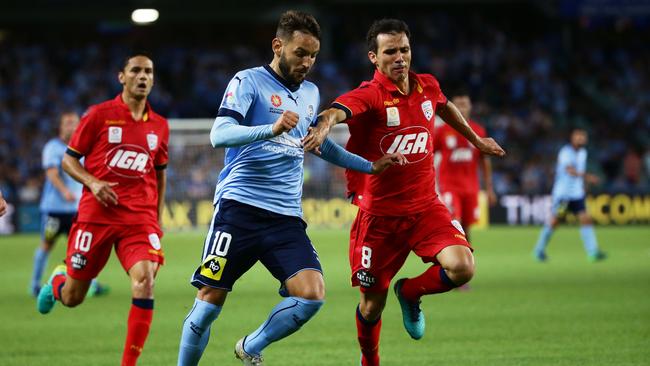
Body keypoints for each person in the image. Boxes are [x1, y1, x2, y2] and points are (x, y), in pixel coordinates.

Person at [176, 11, 404, 366]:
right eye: (300, 53)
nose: (307, 62)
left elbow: (319, 144)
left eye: (313, 55)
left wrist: (369, 165)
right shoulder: (248, 81)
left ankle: (251, 346)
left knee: (312, 295)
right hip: (240, 209)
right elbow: (218, 134)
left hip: (285, 218)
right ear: (278, 46)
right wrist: (271, 129)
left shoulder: (311, 93)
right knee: (208, 302)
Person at [303, 19, 505, 365]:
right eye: (390, 51)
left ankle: (410, 292)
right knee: (370, 306)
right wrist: (322, 126)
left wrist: (474, 139)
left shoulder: (427, 86)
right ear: (374, 57)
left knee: (462, 267)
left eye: (404, 50)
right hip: (379, 220)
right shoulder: (372, 94)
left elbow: (443, 106)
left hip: (426, 208)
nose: (399, 58)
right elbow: (336, 111)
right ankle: (371, 361)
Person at [36, 52, 169, 366]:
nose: (142, 76)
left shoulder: (160, 127)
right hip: (96, 218)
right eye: (135, 70)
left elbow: (159, 173)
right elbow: (69, 161)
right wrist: (93, 183)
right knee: (73, 298)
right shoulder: (98, 115)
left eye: (148, 71)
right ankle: (58, 282)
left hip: (139, 221)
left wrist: (157, 218)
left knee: (145, 280)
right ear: (121, 77)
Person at [30, 112, 107, 297]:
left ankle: (91, 284)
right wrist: (65, 191)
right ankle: (35, 285)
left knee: (83, 247)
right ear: (61, 127)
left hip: (77, 209)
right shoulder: (53, 147)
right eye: (68, 123)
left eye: (75, 123)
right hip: (54, 209)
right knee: (47, 244)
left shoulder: (83, 147)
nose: (72, 126)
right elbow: (51, 173)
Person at [533, 128, 606, 262]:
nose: (581, 139)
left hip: (576, 194)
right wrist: (588, 177)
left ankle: (593, 252)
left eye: (583, 137)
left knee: (586, 219)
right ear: (572, 138)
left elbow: (578, 172)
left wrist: (583, 186)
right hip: (563, 195)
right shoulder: (565, 152)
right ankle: (539, 250)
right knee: (555, 221)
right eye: (578, 136)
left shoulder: (583, 152)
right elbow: (570, 170)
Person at [434, 91, 497, 242]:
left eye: (465, 105)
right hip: (449, 186)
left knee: (467, 228)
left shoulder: (478, 131)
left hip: (471, 187)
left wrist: (489, 189)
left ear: (470, 107)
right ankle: (451, 261)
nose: (462, 109)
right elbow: (428, 154)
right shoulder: (442, 131)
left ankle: (467, 261)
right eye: (459, 105)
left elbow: (485, 161)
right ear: (453, 107)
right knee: (455, 224)